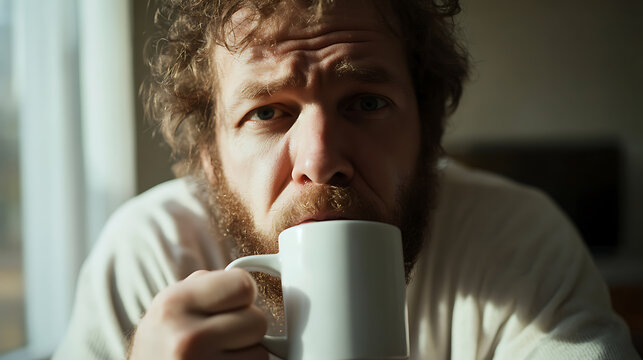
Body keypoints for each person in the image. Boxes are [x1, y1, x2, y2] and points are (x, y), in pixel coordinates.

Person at [54, 0, 639, 359]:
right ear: (210, 158)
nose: (322, 158)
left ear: (429, 133)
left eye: (365, 101)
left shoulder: (519, 239)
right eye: (267, 112)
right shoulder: (151, 257)